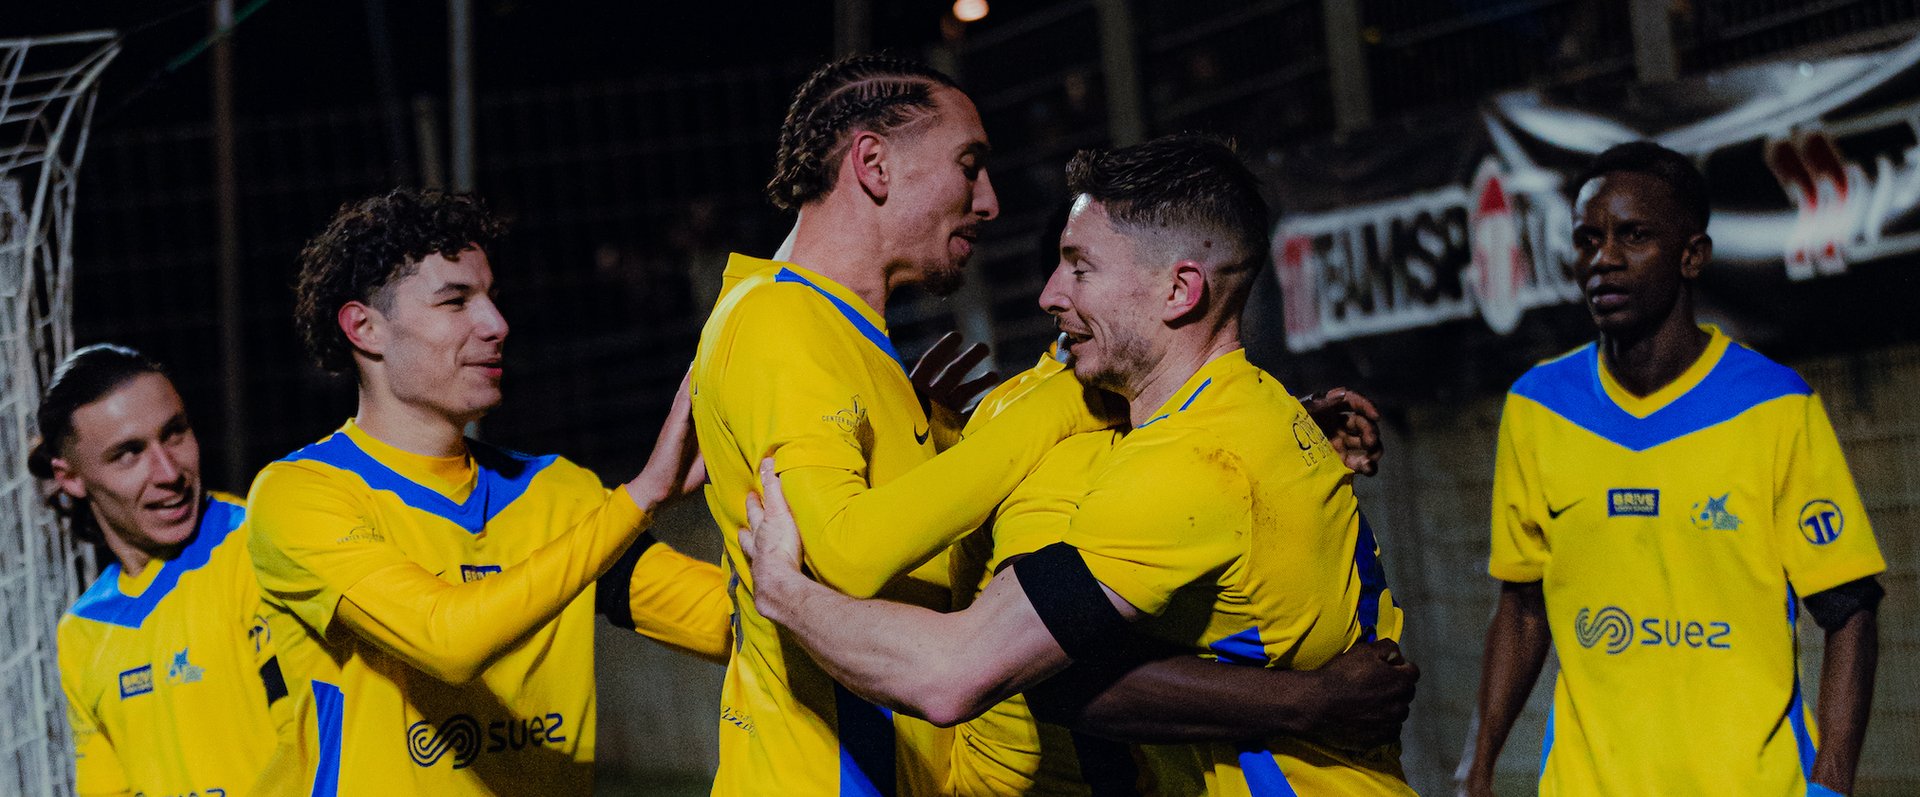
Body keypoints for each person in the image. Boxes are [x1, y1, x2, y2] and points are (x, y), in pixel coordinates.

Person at [738, 133, 1417, 796]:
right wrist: (1305, 700)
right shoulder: (1258, 412)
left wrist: (787, 593)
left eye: (1080, 267)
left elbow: (952, 673)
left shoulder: (1188, 466)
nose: (1049, 294)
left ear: (1179, 291)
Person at [693, 52, 1120, 796]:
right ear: (874, 164)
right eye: (968, 164)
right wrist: (1064, 404)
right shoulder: (775, 320)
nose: (987, 201)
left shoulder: (854, 343)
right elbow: (849, 552)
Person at [247, 188, 730, 795]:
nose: (496, 325)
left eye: (493, 300)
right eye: (456, 302)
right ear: (364, 328)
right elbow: (450, 641)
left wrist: (770, 515)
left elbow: (725, 623)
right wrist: (640, 497)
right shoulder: (301, 495)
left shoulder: (557, 492)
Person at [1463, 141, 1884, 796]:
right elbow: (1521, 607)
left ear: (1692, 255)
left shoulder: (1774, 405)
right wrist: (1477, 766)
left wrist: (1829, 787)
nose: (1603, 258)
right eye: (1587, 238)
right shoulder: (1538, 407)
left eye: (1633, 236)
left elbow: (1850, 609)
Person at [36, 344, 282, 797]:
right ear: (70, 477)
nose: (169, 471)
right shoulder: (83, 632)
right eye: (129, 453)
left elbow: (321, 740)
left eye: (174, 433)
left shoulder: (260, 546)